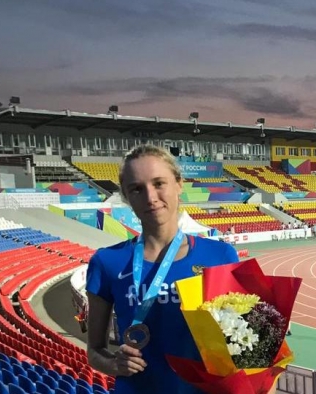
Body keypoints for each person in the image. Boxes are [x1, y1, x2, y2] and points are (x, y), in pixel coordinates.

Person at [85, 145, 240, 394]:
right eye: (137, 189)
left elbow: (243, 341)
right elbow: (94, 351)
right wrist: (113, 364)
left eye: (159, 183)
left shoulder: (221, 256)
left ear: (179, 184)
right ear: (126, 197)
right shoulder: (106, 262)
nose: (150, 197)